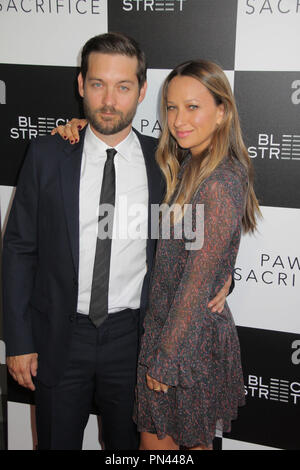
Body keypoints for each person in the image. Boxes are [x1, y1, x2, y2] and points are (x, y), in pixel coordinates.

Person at [2, 33, 231, 450]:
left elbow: (198, 236)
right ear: (80, 85)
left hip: (136, 340)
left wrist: (224, 272)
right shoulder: (48, 155)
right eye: (97, 84)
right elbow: (19, 249)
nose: (109, 99)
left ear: (142, 91)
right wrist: (18, 341)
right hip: (58, 337)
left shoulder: (167, 163)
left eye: (123, 86)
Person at [132, 60, 261, 451]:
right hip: (171, 332)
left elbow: (194, 283)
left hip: (184, 343)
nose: (177, 119)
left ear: (222, 112)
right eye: (171, 107)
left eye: (192, 107)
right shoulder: (190, 164)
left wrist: (167, 358)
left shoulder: (219, 180)